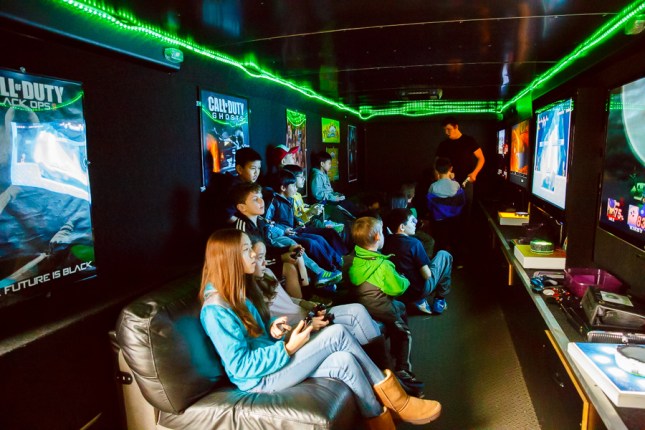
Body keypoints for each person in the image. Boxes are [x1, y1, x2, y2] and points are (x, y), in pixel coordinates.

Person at [199, 229, 442, 429]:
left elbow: (256, 336)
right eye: (246, 250)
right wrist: (287, 348)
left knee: (344, 360)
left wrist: (273, 329)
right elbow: (241, 367)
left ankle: (381, 421)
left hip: (272, 363)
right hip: (259, 379)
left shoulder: (239, 292)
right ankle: (398, 401)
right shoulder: (215, 310)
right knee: (337, 334)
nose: (253, 254)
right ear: (229, 259)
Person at [250, 238, 390, 369]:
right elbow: (273, 331)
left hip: (308, 315)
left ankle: (384, 369)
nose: (265, 262)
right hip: (299, 327)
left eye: (264, 257)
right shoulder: (248, 297)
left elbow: (287, 300)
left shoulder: (267, 273)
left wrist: (307, 304)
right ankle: (383, 370)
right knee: (350, 324)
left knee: (357, 310)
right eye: (260, 258)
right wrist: (308, 325)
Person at [345, 216, 426, 397]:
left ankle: (393, 351)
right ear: (377, 237)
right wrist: (404, 279)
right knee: (404, 333)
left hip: (362, 307)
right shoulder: (383, 265)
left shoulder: (350, 259)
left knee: (400, 307)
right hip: (383, 310)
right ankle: (404, 370)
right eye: (381, 232)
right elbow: (398, 288)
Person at [231, 182, 341, 297]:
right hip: (253, 269)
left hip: (263, 260)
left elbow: (267, 247)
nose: (261, 201)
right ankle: (305, 299)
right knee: (289, 267)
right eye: (255, 199)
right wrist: (280, 258)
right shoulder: (242, 230)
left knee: (296, 254)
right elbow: (250, 261)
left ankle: (313, 291)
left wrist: (288, 249)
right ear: (242, 207)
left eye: (261, 197)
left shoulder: (259, 221)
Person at [265, 170, 345, 272]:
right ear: (283, 188)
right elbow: (267, 224)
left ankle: (337, 261)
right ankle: (330, 268)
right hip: (284, 234)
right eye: (293, 186)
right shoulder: (273, 201)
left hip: (294, 230)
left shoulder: (289, 199)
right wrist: (284, 231)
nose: (296, 188)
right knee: (311, 243)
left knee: (319, 238)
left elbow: (291, 216)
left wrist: (298, 221)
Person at [383, 209, 453, 315]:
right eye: (412, 221)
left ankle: (420, 301)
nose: (415, 223)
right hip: (418, 290)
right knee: (444, 255)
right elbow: (427, 275)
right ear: (402, 227)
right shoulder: (414, 243)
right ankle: (440, 299)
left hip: (399, 291)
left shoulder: (386, 241)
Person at [436, 116, 485, 218]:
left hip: (466, 182)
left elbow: (481, 158)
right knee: (449, 212)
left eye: (448, 129)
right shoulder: (444, 144)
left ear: (456, 127)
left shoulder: (469, 141)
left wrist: (474, 173)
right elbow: (436, 162)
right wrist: (438, 175)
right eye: (445, 130)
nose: (446, 132)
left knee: (466, 211)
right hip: (448, 182)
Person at [426, 157, 466, 264]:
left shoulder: (433, 187)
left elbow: (429, 205)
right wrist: (453, 179)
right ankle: (458, 263)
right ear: (450, 169)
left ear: (436, 170)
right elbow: (462, 201)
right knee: (455, 240)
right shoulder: (456, 185)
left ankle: (440, 264)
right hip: (454, 219)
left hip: (439, 221)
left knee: (441, 243)